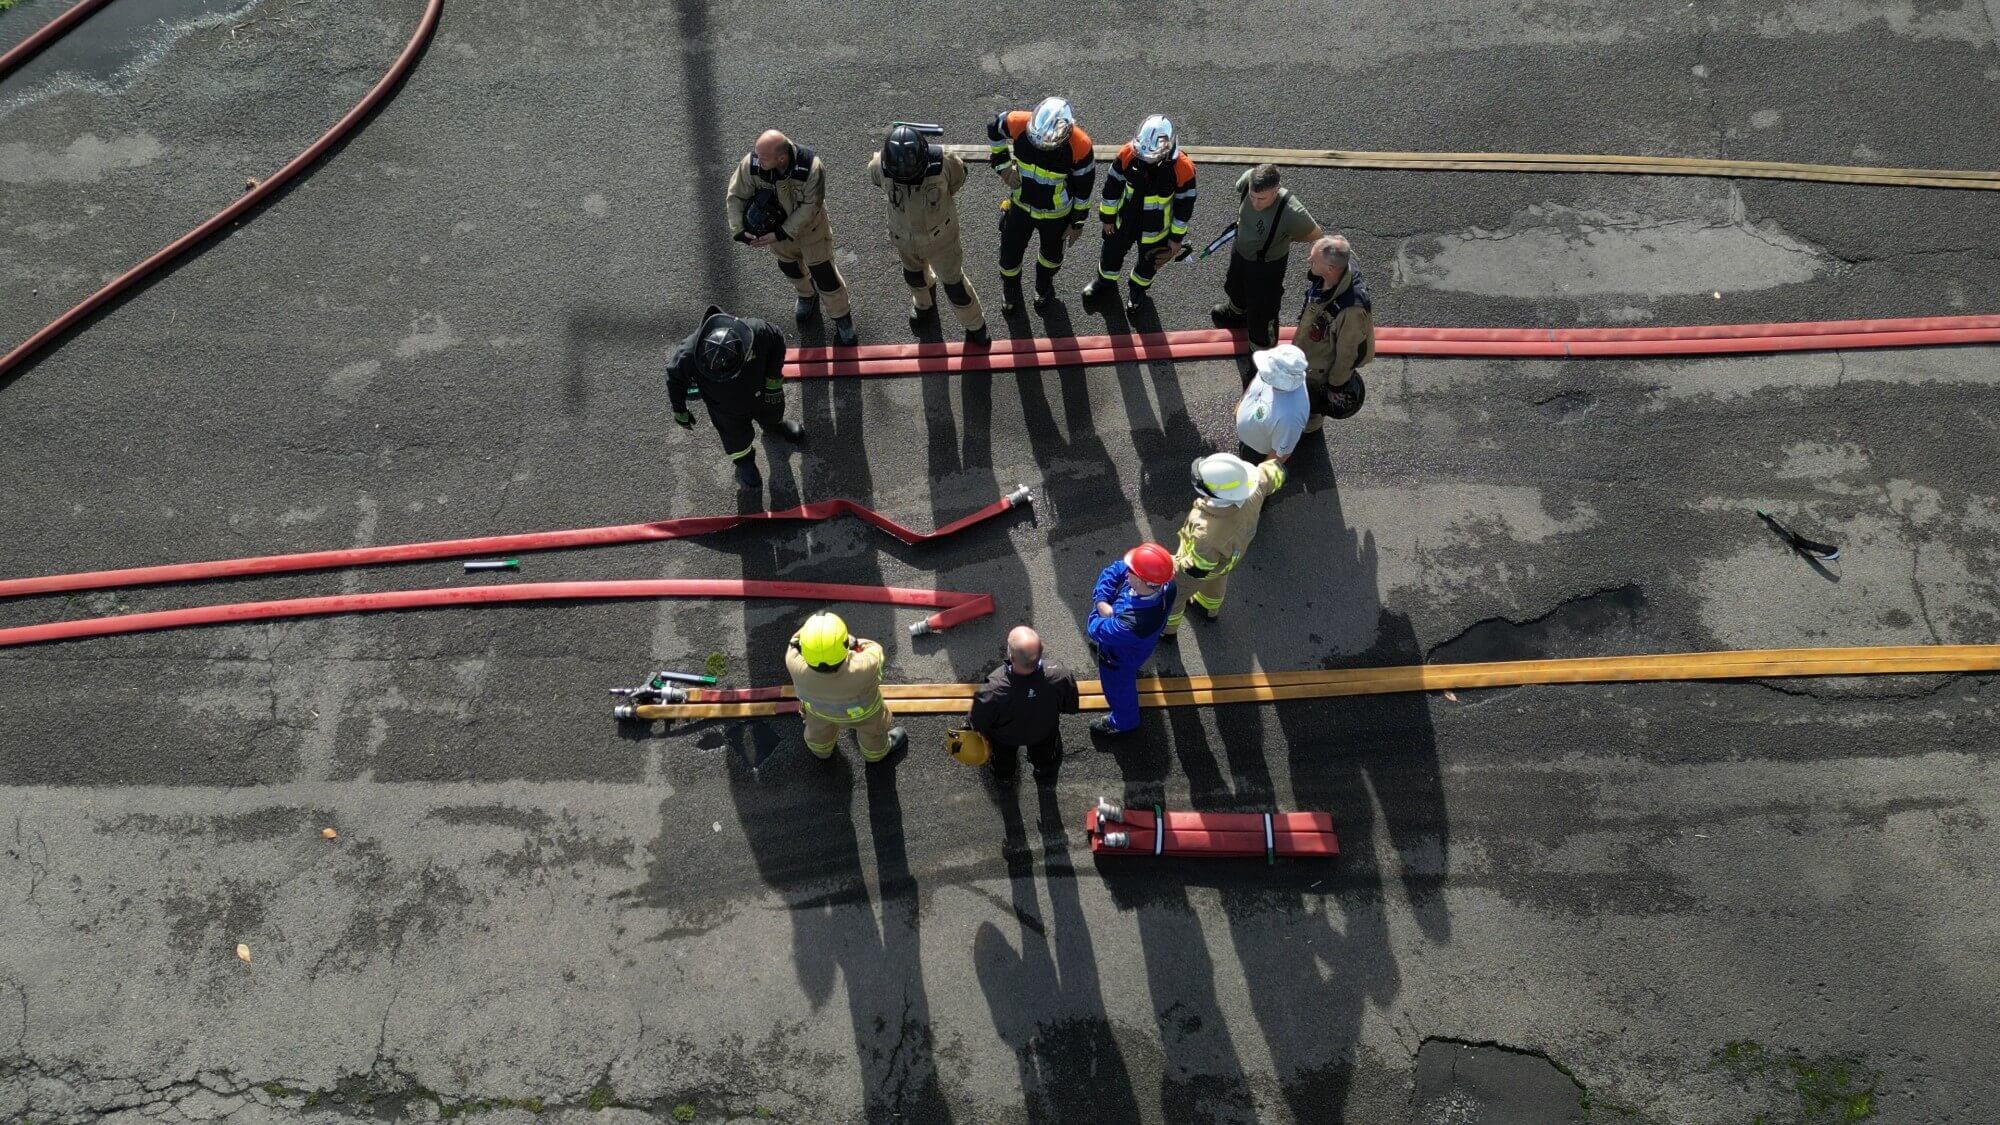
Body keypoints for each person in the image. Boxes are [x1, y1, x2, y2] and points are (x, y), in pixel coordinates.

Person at [727, 130, 858, 346]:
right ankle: (806, 295)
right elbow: (736, 195)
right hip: (777, 236)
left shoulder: (810, 168)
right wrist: (739, 229)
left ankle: (842, 317)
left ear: (782, 158)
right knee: (790, 268)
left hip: (811, 232)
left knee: (825, 275)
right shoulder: (751, 165)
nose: (757, 161)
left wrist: (780, 232)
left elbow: (810, 207)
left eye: (764, 157)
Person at [868, 123, 990, 345]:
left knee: (955, 287)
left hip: (941, 240)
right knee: (914, 275)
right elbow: (875, 178)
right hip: (903, 238)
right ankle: (923, 305)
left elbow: (958, 178)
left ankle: (975, 325)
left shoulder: (944, 161)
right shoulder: (881, 164)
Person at [666, 305, 803, 490]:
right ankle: (745, 462)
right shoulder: (688, 355)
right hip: (726, 410)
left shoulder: (757, 332)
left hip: (763, 392)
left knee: (773, 412)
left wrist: (773, 380)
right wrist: (679, 410)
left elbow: (777, 339)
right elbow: (674, 380)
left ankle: (775, 426)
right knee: (735, 440)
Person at [987, 96, 1096, 313]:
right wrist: (1002, 166)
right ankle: (1011, 289)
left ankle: (1043, 286)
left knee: (1052, 258)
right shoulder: (1019, 122)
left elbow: (1084, 190)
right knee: (1009, 254)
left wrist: (1077, 223)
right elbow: (993, 127)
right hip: (1021, 205)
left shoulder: (1081, 145)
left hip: (1056, 215)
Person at [1163, 453, 1287, 638]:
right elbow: (1275, 472)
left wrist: (1169, 565)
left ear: (1215, 493)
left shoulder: (1207, 535)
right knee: (1217, 581)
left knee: (1173, 595)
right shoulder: (1255, 484)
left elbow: (1196, 569)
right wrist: (1278, 469)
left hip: (1201, 565)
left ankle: (1166, 630)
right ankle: (1207, 609)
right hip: (1229, 557)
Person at [1083, 115, 1197, 313]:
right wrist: (1107, 218)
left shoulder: (1183, 169)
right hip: (1124, 220)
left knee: (1148, 265)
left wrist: (1176, 239)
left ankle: (1137, 290)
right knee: (1111, 253)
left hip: (1157, 230)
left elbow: (1184, 208)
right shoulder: (1129, 153)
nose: (1144, 159)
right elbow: (1112, 188)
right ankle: (1105, 282)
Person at [1211, 163, 1322, 347]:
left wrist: (1284, 239)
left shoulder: (1292, 211)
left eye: (1261, 199)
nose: (1255, 203)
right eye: (1252, 197)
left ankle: (1262, 356)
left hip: (1266, 267)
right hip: (1241, 252)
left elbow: (1315, 235)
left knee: (1263, 315)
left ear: (1276, 190)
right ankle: (1237, 314)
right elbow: (1241, 187)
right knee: (1234, 285)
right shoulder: (1249, 179)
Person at [784, 612, 907, 764]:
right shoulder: (865, 667)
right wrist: (853, 643)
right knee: (872, 733)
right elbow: (874, 649)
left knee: (818, 731)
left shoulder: (793, 662)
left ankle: (821, 750)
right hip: (863, 713)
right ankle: (875, 755)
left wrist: (815, 636)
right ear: (844, 645)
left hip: (819, 712)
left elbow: (795, 640)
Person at [967, 626, 1080, 785]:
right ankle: (1042, 770)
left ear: (1011, 657)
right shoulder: (1060, 674)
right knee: (1044, 754)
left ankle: (1004, 778)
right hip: (1044, 732)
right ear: (1041, 650)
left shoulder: (993, 688)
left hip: (1005, 738)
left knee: (1003, 759)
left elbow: (978, 721)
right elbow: (1071, 706)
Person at [1085, 543, 1177, 738]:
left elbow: (1094, 628)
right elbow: (1116, 568)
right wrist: (1102, 599)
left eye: (1132, 572)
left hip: (1118, 659)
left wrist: (1100, 608)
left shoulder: (1132, 624)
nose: (1126, 573)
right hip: (1134, 644)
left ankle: (1124, 722)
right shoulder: (1165, 583)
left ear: (1144, 581)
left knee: (1118, 690)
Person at [1296, 234, 1375, 431]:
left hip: (1321, 366)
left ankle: (1311, 426)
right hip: (1312, 346)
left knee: (1313, 397)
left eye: (1313, 260)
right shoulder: (1335, 274)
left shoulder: (1352, 311)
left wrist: (1335, 387)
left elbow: (1347, 354)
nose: (1308, 261)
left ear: (1331, 269)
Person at [1234, 343, 1311, 462]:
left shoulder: (1292, 416)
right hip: (1248, 438)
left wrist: (1261, 475)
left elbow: (1280, 455)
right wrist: (1241, 403)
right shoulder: (1271, 371)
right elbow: (1257, 379)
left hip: (1257, 453)